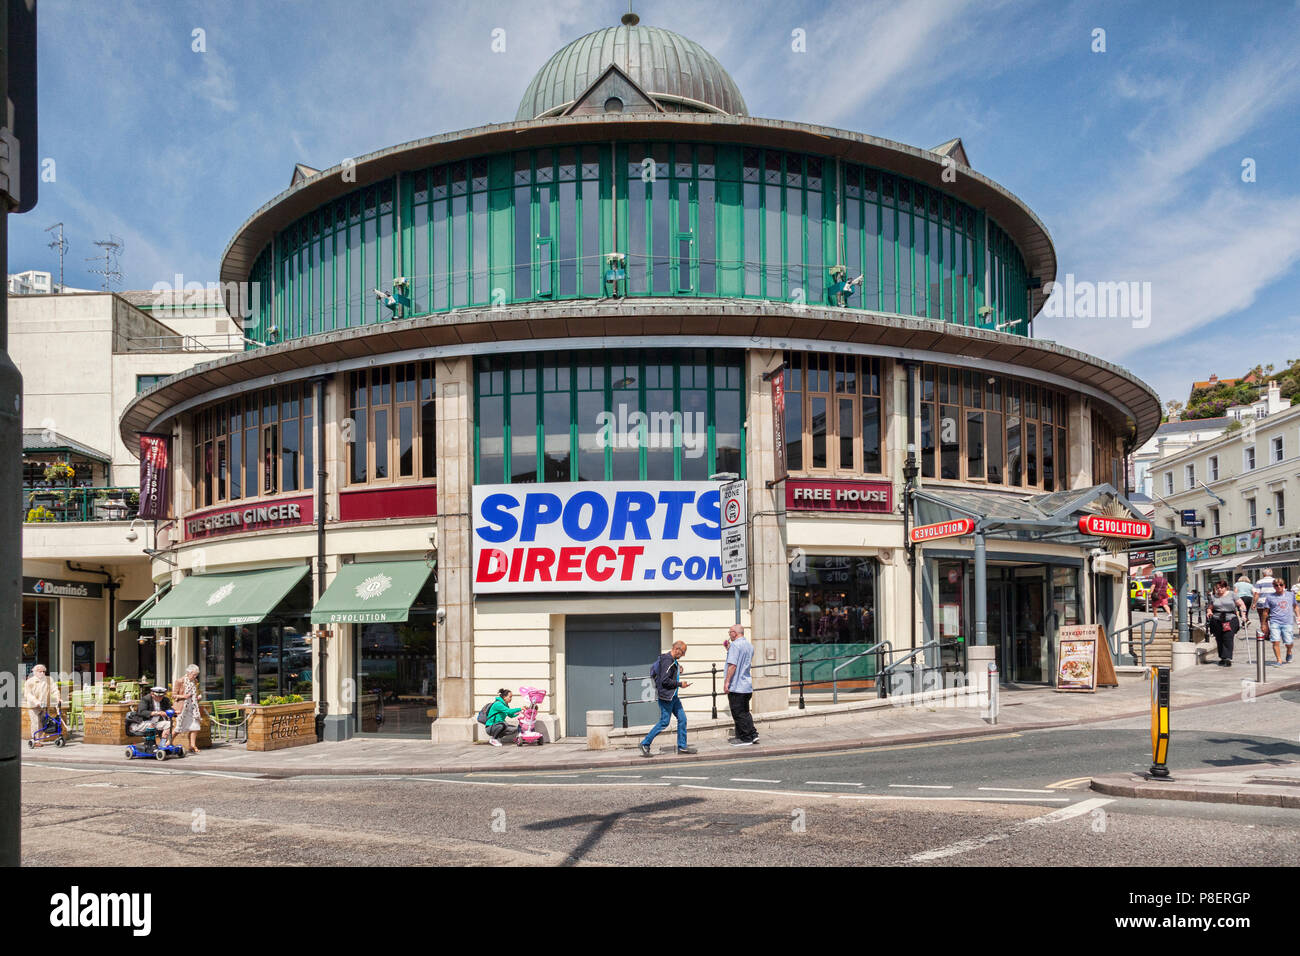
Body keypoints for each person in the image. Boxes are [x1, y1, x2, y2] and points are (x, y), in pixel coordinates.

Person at [639, 641, 696, 756]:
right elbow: (664, 680)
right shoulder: (667, 660)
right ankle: (645, 743)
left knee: (682, 719)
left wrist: (678, 669)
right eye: (683, 652)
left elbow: (668, 672)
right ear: (676, 649)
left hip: (673, 697)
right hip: (666, 697)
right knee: (664, 722)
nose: (684, 655)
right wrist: (680, 684)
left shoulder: (671, 660)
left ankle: (682, 747)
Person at [723, 625, 759, 747]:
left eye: (730, 632)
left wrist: (727, 682)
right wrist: (729, 650)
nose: (729, 635)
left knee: (738, 713)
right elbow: (742, 660)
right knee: (745, 712)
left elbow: (733, 665)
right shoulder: (749, 645)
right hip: (746, 685)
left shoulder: (735, 645)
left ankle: (746, 738)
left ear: (734, 633)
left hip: (737, 685)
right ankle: (753, 734)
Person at [1207, 580, 1247, 667]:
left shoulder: (1232, 594)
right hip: (1217, 619)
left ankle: (1228, 658)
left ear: (1225, 587)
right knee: (1219, 638)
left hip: (1230, 618)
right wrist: (1209, 612)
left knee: (1228, 636)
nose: (1219, 590)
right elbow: (1210, 607)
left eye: (1221, 588)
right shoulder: (1214, 597)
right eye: (1217, 588)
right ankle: (1222, 657)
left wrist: (1243, 614)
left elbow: (1241, 604)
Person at [1260, 578, 1295, 666]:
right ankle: (1279, 660)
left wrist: (1298, 616)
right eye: (1276, 585)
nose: (1278, 587)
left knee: (1289, 642)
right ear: (1274, 587)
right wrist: (1263, 624)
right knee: (1275, 641)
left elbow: (1295, 606)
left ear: (1284, 586)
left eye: (1281, 585)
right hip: (1274, 621)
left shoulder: (1290, 595)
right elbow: (1265, 611)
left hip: (1287, 622)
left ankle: (1289, 651)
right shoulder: (1270, 597)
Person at [23, 664, 61, 738]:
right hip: (34, 706)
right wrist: (36, 701)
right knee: (36, 722)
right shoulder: (30, 681)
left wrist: (58, 698)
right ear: (35, 672)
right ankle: (36, 740)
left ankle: (40, 738)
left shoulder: (49, 679)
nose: (42, 673)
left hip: (44, 705)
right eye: (40, 671)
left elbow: (54, 689)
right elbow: (28, 694)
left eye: (44, 671)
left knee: (43, 722)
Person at [173, 664, 204, 753]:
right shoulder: (180, 681)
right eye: (194, 674)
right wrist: (184, 696)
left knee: (195, 726)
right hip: (183, 707)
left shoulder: (194, 681)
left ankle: (192, 745)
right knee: (178, 728)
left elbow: (194, 693)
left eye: (196, 675)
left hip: (193, 707)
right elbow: (173, 695)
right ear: (188, 673)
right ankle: (168, 742)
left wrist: (197, 697)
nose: (195, 676)